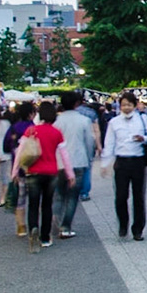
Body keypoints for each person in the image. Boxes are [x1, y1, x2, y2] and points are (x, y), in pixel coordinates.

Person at [17, 101, 71, 251]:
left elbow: (20, 151)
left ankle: (33, 229)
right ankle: (45, 237)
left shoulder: (31, 130)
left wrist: (15, 171)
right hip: (51, 173)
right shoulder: (56, 132)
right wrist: (70, 173)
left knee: (33, 205)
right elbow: (64, 155)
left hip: (33, 172)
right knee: (47, 205)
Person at [99, 92, 147, 240]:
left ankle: (138, 229)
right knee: (121, 196)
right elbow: (109, 144)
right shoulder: (114, 122)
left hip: (138, 161)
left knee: (138, 197)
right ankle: (123, 225)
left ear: (135, 105)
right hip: (121, 162)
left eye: (129, 104)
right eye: (123, 105)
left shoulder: (142, 119)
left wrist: (143, 138)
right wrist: (105, 163)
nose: (126, 107)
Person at [52, 91, 97, 239]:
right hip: (78, 161)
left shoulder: (57, 122)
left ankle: (55, 219)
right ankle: (66, 227)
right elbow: (89, 141)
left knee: (59, 194)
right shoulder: (84, 120)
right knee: (72, 196)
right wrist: (89, 157)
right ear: (76, 103)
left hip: (60, 163)